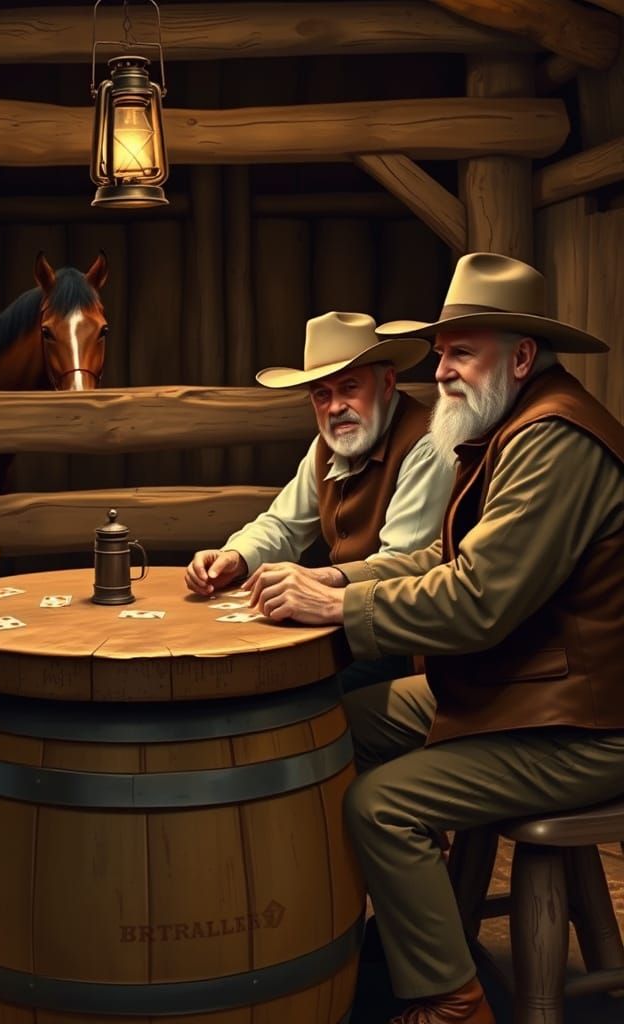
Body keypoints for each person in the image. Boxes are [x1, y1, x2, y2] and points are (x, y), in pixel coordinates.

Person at [246, 252, 624, 1024]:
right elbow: (450, 560)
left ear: (520, 356)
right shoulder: (513, 424)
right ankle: (414, 930)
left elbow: (479, 601)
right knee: (327, 730)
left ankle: (451, 1002)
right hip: (524, 686)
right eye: (442, 351)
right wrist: (338, 582)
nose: (442, 370)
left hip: (584, 721)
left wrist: (339, 613)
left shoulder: (555, 441)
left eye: (460, 351)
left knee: (381, 807)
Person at [185, 310, 454, 689]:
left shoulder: (425, 445)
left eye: (349, 388)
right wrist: (236, 556)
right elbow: (282, 524)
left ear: (388, 382)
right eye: (321, 395)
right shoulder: (326, 445)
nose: (334, 407)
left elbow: (401, 567)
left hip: (395, 642)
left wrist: (318, 583)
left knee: (279, 692)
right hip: (342, 627)